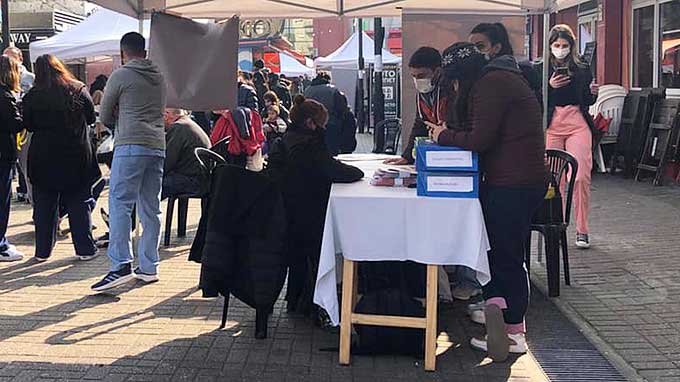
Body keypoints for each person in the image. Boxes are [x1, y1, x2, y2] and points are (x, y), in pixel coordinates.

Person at [430, 42, 546, 362]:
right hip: (515, 181)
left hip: (513, 183)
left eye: (454, 80)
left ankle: (513, 334)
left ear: (462, 74)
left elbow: (480, 139)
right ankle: (507, 327)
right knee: (502, 255)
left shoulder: (490, 84)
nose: (454, 86)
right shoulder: (498, 78)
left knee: (506, 256)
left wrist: (443, 136)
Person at [267, 95, 364, 316]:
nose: (325, 129)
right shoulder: (308, 146)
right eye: (323, 125)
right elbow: (334, 171)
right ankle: (318, 299)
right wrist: (356, 172)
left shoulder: (288, 139)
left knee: (300, 254)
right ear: (311, 124)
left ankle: (297, 299)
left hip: (289, 212)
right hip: (308, 216)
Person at [92, 32, 167, 292]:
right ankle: (149, 266)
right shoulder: (159, 75)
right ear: (144, 51)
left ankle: (120, 264)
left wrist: (119, 117)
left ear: (123, 53)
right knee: (151, 207)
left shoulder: (121, 75)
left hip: (130, 143)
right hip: (157, 145)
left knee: (120, 203)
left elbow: (104, 114)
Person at [22, 54, 100, 262]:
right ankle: (85, 249)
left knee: (44, 205)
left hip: (43, 155)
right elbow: (91, 117)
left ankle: (42, 251)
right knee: (79, 201)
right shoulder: (78, 89)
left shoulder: (32, 95)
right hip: (76, 153)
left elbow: (28, 124)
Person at [544, 24, 598, 249]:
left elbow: (587, 100)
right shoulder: (542, 68)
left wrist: (593, 93)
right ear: (550, 46)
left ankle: (582, 229)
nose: (560, 49)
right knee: (554, 180)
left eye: (565, 45)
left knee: (580, 176)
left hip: (577, 123)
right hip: (552, 126)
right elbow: (533, 98)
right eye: (556, 45)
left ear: (572, 46)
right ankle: (554, 224)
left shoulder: (582, 67)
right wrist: (549, 86)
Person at [384, 47, 447, 165]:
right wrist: (407, 156)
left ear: (437, 71)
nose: (418, 80)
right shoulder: (422, 93)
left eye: (421, 75)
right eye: (414, 76)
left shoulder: (449, 91)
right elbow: (420, 124)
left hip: (450, 153)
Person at [469, 23, 542, 106]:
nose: (474, 51)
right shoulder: (477, 72)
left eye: (480, 46)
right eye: (470, 48)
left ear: (497, 48)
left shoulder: (504, 75)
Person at [0, 55, 26, 262]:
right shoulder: (6, 96)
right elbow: (15, 124)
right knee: (2, 200)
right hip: (3, 155)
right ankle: (1, 245)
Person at [4, 47, 35, 205]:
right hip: (10, 131)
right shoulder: (4, 85)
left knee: (28, 169)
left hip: (24, 132)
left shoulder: (30, 78)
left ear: (20, 59)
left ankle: (32, 199)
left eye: (12, 58)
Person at [162, 108, 211, 199]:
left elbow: (167, 162)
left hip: (190, 181)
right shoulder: (187, 123)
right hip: (199, 179)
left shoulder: (178, 127)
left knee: (148, 185)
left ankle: (142, 213)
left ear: (167, 114)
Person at [303, 72, 348, 156]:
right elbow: (341, 108)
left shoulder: (307, 90)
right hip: (331, 123)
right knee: (331, 150)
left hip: (311, 125)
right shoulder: (333, 90)